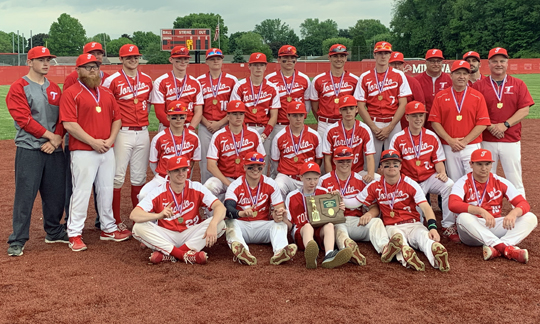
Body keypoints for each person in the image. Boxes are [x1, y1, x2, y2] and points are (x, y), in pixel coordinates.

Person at [60, 54, 130, 251]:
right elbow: (69, 124)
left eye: (96, 66)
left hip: (106, 149)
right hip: (83, 150)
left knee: (106, 189)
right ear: (78, 70)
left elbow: (117, 118)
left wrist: (110, 139)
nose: (93, 70)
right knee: (81, 191)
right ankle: (74, 232)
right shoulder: (71, 92)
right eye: (88, 67)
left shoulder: (106, 92)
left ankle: (108, 228)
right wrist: (93, 142)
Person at [345, 150, 450, 272]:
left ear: (400, 166)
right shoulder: (375, 185)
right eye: (387, 164)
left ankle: (436, 253)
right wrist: (338, 198)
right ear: (381, 167)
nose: (391, 167)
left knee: (425, 237)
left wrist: (432, 228)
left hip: (413, 223)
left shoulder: (411, 184)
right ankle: (408, 253)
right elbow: (354, 202)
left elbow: (426, 208)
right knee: (398, 239)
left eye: (395, 164)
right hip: (392, 225)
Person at [6, 46, 67, 256]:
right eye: (41, 59)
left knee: (55, 194)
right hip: (29, 148)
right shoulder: (18, 87)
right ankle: (17, 239)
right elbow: (24, 119)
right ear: (29, 62)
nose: (46, 63)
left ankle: (54, 231)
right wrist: (52, 136)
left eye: (48, 59)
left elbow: (62, 117)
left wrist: (57, 138)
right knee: (25, 195)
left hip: (54, 150)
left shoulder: (55, 88)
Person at [131, 156, 226, 264]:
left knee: (220, 223)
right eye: (176, 170)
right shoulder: (158, 191)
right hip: (167, 235)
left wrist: (213, 224)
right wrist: (158, 216)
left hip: (190, 233)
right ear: (168, 172)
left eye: (184, 169)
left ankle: (170, 255)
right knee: (138, 227)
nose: (181, 173)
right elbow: (134, 215)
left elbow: (220, 207)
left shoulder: (196, 187)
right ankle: (183, 255)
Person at [449, 148, 537, 263]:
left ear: (491, 165)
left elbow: (523, 203)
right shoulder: (463, 181)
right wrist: (480, 211)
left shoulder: (500, 181)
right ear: (471, 164)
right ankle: (505, 248)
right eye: (479, 164)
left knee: (531, 217)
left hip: (493, 225)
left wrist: (513, 213)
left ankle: (499, 247)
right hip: (473, 230)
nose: (484, 168)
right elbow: (453, 204)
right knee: (462, 217)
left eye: (487, 164)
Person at [102, 44, 153, 233]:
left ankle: (137, 218)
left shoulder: (147, 80)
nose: (133, 60)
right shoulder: (112, 80)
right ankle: (115, 219)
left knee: (139, 177)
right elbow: (107, 106)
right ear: (121, 59)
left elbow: (148, 106)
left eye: (136, 57)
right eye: (129, 57)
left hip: (143, 131)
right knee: (117, 177)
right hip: (123, 131)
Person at [389, 101, 457, 242]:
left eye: (421, 115)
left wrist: (442, 173)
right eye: (414, 116)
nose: (418, 119)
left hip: (429, 177)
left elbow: (438, 160)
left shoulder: (431, 136)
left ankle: (448, 225)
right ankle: (419, 230)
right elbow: (394, 164)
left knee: (449, 185)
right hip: (409, 180)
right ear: (407, 117)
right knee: (417, 220)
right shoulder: (398, 138)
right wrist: (402, 182)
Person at [472, 47, 534, 197]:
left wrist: (505, 125)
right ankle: (486, 209)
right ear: (489, 64)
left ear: (507, 63)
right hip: (487, 138)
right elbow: (474, 111)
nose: (498, 64)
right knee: (485, 176)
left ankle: (519, 210)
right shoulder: (479, 86)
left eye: (502, 61)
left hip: (511, 138)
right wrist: (491, 125)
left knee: (514, 177)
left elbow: (524, 110)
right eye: (494, 61)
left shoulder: (518, 84)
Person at [63, 41, 109, 229]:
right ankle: (71, 223)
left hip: (102, 139)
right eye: (93, 53)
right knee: (76, 184)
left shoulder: (106, 78)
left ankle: (102, 220)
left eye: (99, 54)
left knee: (103, 184)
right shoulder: (73, 79)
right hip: (79, 140)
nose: (97, 57)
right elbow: (68, 112)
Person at [224, 152, 297, 266]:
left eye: (259, 167)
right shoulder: (235, 185)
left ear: (263, 167)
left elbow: (279, 209)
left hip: (263, 226)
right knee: (229, 223)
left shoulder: (270, 184)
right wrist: (242, 213)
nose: (255, 169)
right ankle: (243, 252)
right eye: (251, 167)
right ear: (244, 167)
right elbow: (228, 209)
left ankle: (280, 252)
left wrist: (278, 215)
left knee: (280, 224)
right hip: (243, 226)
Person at [319, 147, 387, 266]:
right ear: (334, 161)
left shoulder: (360, 180)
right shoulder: (323, 181)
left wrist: (369, 214)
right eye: (341, 161)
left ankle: (386, 249)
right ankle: (349, 248)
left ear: (352, 161)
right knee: (338, 230)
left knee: (376, 222)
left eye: (348, 161)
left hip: (357, 221)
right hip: (337, 221)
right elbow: (317, 208)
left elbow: (374, 207)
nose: (345, 164)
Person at [429, 61, 491, 182]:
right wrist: (450, 140)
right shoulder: (440, 96)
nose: (461, 76)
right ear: (451, 75)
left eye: (464, 73)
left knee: (475, 180)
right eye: (458, 73)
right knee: (454, 182)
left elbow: (483, 123)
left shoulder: (478, 96)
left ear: (469, 76)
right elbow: (435, 122)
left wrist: (465, 141)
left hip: (471, 145)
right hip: (449, 145)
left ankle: (474, 202)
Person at [355, 41, 412, 168]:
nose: (383, 56)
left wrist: (390, 127)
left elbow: (403, 104)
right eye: (380, 53)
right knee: (370, 162)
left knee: (394, 161)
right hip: (373, 122)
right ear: (374, 55)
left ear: (390, 55)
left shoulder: (399, 75)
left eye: (386, 53)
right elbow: (360, 105)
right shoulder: (365, 77)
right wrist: (374, 127)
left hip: (393, 122)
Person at [286, 162, 353, 269]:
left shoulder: (324, 192)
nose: (312, 182)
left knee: (329, 225)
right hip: (302, 232)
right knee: (307, 226)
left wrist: (339, 208)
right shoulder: (292, 196)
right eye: (308, 179)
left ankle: (329, 255)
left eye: (315, 179)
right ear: (301, 177)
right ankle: (311, 254)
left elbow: (332, 214)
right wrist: (281, 217)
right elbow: (289, 224)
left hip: (319, 229)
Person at [138, 100, 201, 202]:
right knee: (143, 195)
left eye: (181, 116)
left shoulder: (194, 138)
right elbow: (153, 163)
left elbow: (193, 161)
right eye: (174, 116)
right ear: (168, 117)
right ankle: (151, 218)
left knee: (199, 197)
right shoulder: (159, 138)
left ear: (186, 117)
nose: (178, 119)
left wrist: (181, 176)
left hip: (183, 178)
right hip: (162, 178)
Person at [265, 45, 311, 177]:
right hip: (277, 124)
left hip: (297, 126)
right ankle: (275, 186)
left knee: (296, 155)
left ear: (296, 60)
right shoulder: (270, 79)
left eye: (292, 58)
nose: (289, 61)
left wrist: (300, 120)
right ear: (279, 60)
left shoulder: (304, 79)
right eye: (285, 58)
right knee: (274, 156)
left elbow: (306, 104)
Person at [205, 101, 265, 201]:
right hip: (225, 178)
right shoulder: (218, 136)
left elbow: (262, 161)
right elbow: (210, 165)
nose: (238, 117)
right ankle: (213, 216)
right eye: (234, 114)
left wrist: (252, 179)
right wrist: (229, 184)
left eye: (241, 114)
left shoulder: (253, 134)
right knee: (209, 186)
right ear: (227, 116)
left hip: (247, 178)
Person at [230, 52, 280, 173]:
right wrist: (243, 132)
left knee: (263, 163)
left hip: (264, 130)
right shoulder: (240, 86)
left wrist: (265, 134)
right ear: (249, 66)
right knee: (244, 163)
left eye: (261, 65)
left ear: (265, 67)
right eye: (255, 64)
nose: (258, 68)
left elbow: (274, 115)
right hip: (245, 129)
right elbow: (235, 112)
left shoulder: (272, 87)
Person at [197, 48, 238, 184]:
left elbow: (235, 107)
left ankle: (226, 193)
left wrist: (220, 123)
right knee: (205, 161)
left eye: (218, 58)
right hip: (205, 126)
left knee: (226, 158)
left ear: (222, 60)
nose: (215, 61)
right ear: (206, 61)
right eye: (212, 58)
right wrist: (207, 124)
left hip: (226, 125)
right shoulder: (199, 81)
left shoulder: (232, 80)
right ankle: (207, 195)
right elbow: (197, 107)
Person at [271, 102, 322, 198]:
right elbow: (275, 162)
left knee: (322, 190)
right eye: (294, 115)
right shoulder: (279, 137)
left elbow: (319, 159)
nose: (298, 119)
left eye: (301, 115)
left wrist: (309, 173)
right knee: (278, 186)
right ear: (288, 116)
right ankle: (281, 211)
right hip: (287, 177)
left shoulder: (314, 135)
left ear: (305, 116)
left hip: (307, 176)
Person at [309, 44, 358, 142]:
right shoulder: (318, 80)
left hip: (346, 122)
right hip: (324, 124)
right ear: (329, 57)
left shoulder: (355, 80)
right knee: (323, 154)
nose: (339, 59)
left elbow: (357, 105)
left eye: (342, 56)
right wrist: (322, 119)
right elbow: (315, 105)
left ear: (346, 58)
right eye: (335, 56)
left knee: (345, 154)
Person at [322, 95, 376, 181]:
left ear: (356, 109)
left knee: (376, 179)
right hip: (337, 172)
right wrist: (332, 178)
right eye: (345, 109)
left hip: (358, 172)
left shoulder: (364, 129)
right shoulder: (331, 130)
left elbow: (369, 156)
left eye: (351, 108)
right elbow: (327, 159)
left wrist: (370, 175)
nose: (348, 112)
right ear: (340, 111)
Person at [151, 45, 203, 132]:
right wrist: (176, 128)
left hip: (188, 126)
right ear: (171, 59)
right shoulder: (160, 81)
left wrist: (191, 128)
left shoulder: (195, 82)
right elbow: (159, 112)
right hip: (167, 126)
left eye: (185, 59)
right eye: (179, 58)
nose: (182, 62)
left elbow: (198, 111)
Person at [414, 49, 452, 129]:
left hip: (445, 124)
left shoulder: (449, 79)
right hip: (423, 124)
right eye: (432, 61)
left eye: (438, 61)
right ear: (426, 62)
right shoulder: (416, 80)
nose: (436, 64)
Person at [388, 51, 426, 130]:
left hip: (407, 126)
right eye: (393, 64)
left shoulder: (413, 82)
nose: (396, 66)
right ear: (388, 65)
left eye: (399, 64)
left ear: (403, 65)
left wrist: (419, 128)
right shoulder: (382, 83)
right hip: (386, 124)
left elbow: (421, 106)